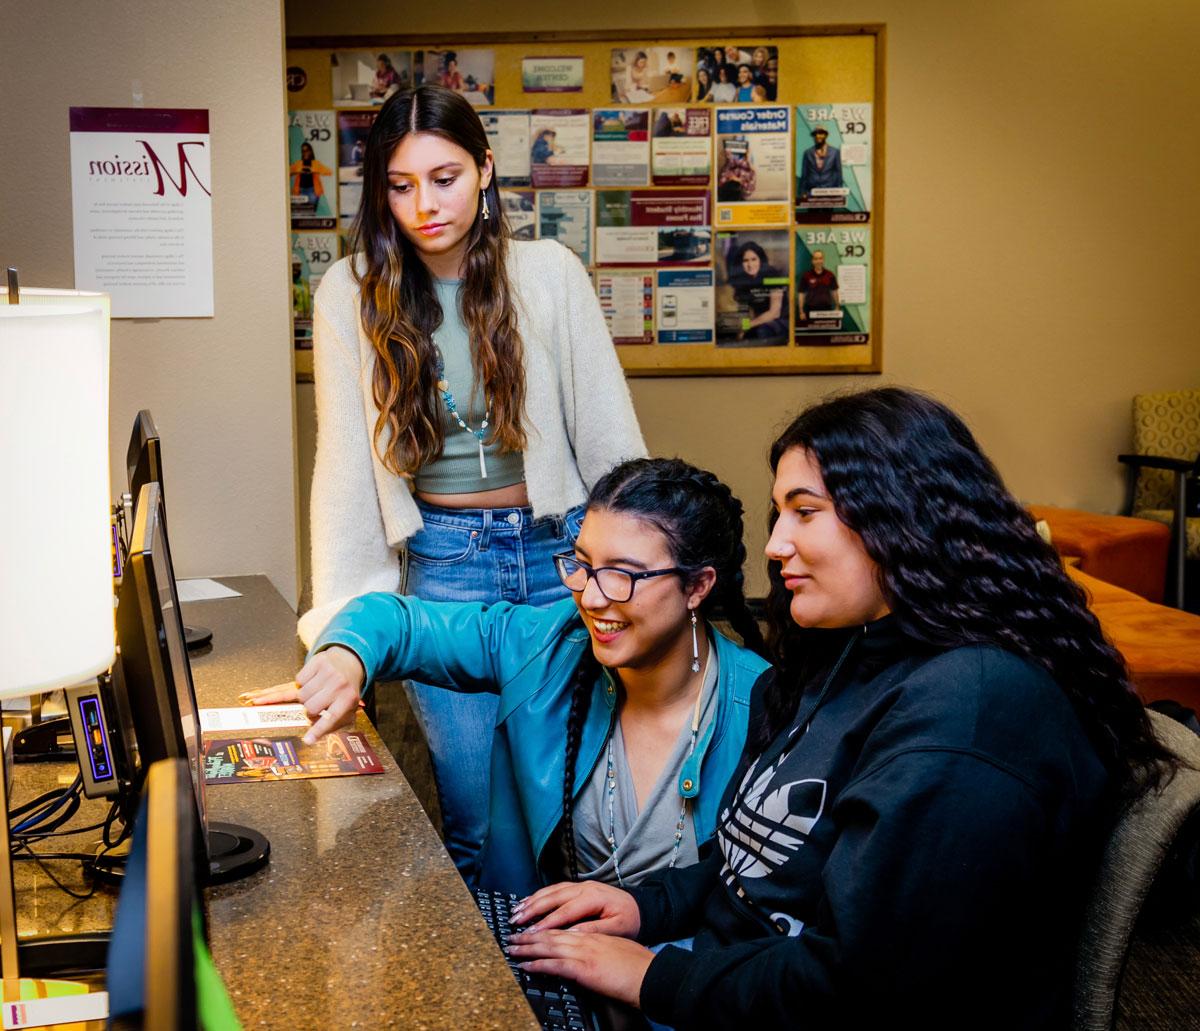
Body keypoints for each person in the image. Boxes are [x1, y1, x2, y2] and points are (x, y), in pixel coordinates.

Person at [506, 387, 1177, 1029]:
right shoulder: (848, 657)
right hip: (723, 983)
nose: (774, 545)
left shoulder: (969, 715)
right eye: (780, 514)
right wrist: (644, 907)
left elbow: (854, 990)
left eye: (805, 510)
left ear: (898, 514)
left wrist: (651, 978)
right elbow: (763, 864)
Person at [298, 84, 646, 880]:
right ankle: (495, 992)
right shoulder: (350, 293)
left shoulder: (551, 273)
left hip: (562, 555)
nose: (424, 203)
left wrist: (638, 569)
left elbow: (609, 436)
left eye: (445, 177)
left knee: (578, 801)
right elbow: (346, 467)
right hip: (446, 566)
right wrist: (344, 625)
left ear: (486, 171)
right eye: (401, 184)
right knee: (476, 817)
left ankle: (575, 988)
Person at [249, 459, 770, 893]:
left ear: (698, 587)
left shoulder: (769, 708)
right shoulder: (546, 644)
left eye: (622, 574)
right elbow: (398, 621)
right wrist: (345, 657)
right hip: (544, 968)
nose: (589, 597)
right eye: (582, 564)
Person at [728, 241, 786, 345]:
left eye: (754, 259)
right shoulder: (743, 282)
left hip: (782, 321)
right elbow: (744, 313)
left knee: (761, 331)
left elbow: (775, 312)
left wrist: (748, 326)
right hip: (760, 322)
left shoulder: (773, 275)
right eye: (745, 260)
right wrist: (744, 328)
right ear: (740, 264)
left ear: (760, 260)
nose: (750, 265)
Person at [797, 126, 844, 201]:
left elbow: (838, 172)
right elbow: (804, 173)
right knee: (812, 213)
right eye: (816, 134)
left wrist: (839, 191)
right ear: (813, 136)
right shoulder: (808, 153)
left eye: (821, 133)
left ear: (826, 135)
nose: (818, 136)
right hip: (812, 191)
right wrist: (802, 192)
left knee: (828, 213)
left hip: (829, 191)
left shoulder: (835, 152)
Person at [797, 249, 840, 321]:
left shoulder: (830, 275)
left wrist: (837, 307)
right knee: (812, 331)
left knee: (826, 331)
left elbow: (834, 292)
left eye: (820, 258)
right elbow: (801, 294)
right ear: (812, 261)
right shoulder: (806, 276)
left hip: (826, 310)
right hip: (810, 309)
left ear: (823, 260)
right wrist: (801, 312)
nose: (818, 261)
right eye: (816, 259)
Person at [288, 141, 331, 210]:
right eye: (303, 151)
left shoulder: (316, 163)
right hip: (300, 192)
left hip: (313, 192)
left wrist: (314, 170)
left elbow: (329, 172)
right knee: (302, 214)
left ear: (310, 151)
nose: (305, 153)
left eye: (307, 150)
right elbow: (286, 173)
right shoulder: (298, 163)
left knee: (311, 214)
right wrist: (297, 172)